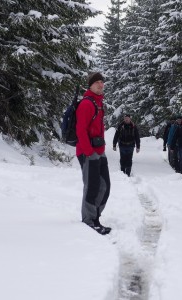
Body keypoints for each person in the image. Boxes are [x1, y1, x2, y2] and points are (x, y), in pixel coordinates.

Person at [76, 72, 111, 235]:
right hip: (88, 152)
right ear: (90, 85)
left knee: (105, 186)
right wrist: (88, 151)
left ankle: (95, 216)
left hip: (99, 151)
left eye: (102, 82)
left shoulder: (98, 103)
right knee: (92, 187)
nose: (100, 85)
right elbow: (80, 130)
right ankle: (89, 220)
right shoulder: (86, 104)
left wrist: (101, 150)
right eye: (97, 82)